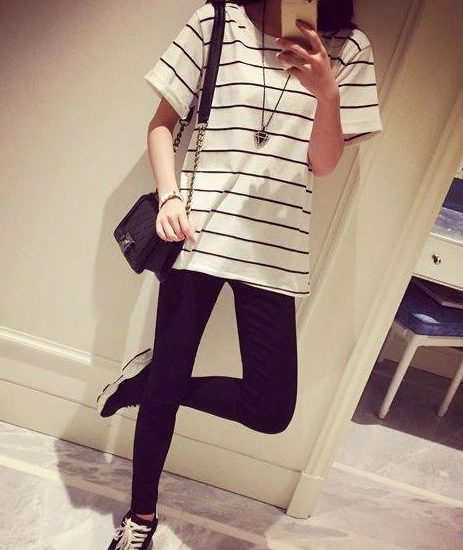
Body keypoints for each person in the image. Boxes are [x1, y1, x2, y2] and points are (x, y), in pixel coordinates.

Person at [102, 0, 383, 547]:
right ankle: (140, 519)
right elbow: (161, 125)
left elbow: (323, 164)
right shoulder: (217, 22)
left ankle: (147, 382)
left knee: (271, 409)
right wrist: (169, 196)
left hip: (275, 248)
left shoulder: (349, 48)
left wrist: (327, 93)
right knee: (165, 397)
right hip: (196, 235)